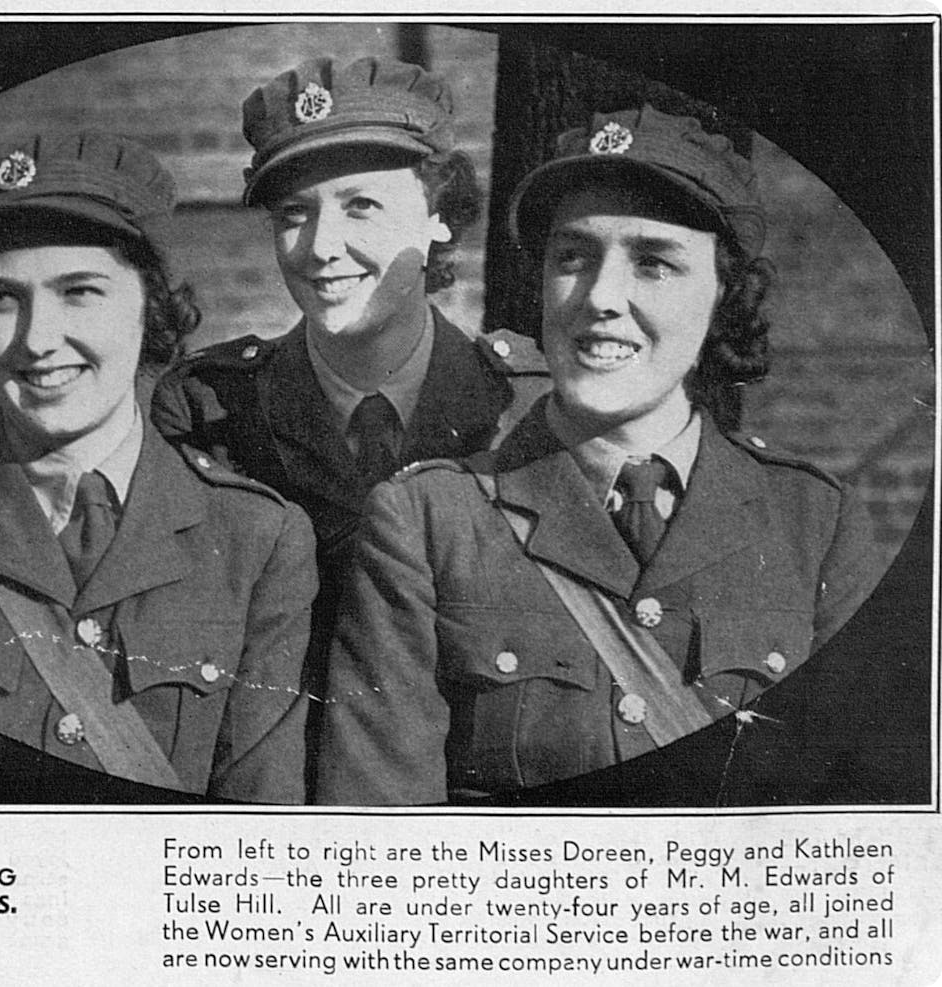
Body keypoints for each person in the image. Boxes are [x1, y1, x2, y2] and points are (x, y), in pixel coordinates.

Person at [317, 105, 880, 805]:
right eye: (573, 257)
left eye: (653, 262)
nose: (601, 298)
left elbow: (855, 808)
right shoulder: (429, 523)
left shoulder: (813, 525)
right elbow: (382, 837)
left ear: (723, 296)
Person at [0, 131, 316, 803]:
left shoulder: (255, 539)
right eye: (1, 299)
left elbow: (255, 827)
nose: (38, 339)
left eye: (79, 291)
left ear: (150, 302)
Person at [150, 56, 547, 785]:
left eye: (361, 205)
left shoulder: (523, 405)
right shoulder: (210, 408)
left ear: (436, 217)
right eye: (294, 214)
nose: (322, 246)